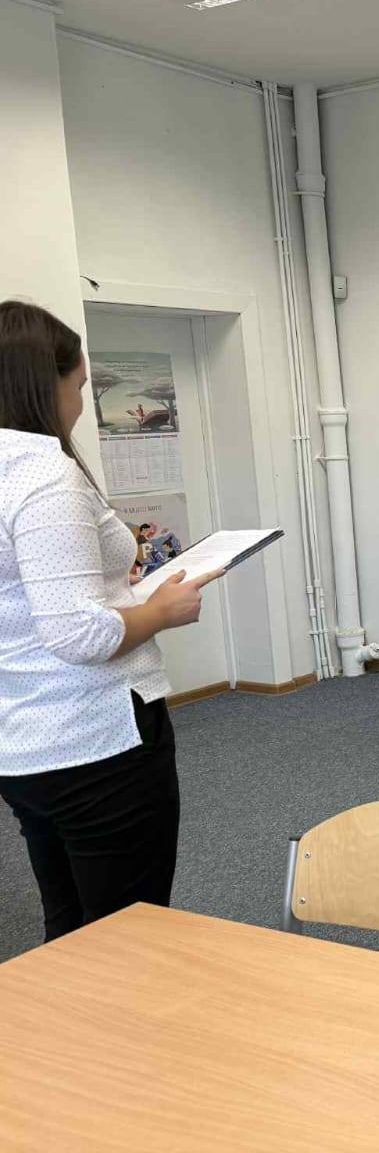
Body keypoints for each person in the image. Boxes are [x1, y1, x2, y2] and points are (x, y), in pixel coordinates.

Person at [0, 299, 220, 942]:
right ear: (45, 385)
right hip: (95, 737)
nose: (79, 404)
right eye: (79, 386)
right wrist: (161, 611)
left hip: (23, 740)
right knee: (130, 935)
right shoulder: (43, 478)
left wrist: (113, 578)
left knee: (70, 928)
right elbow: (78, 634)